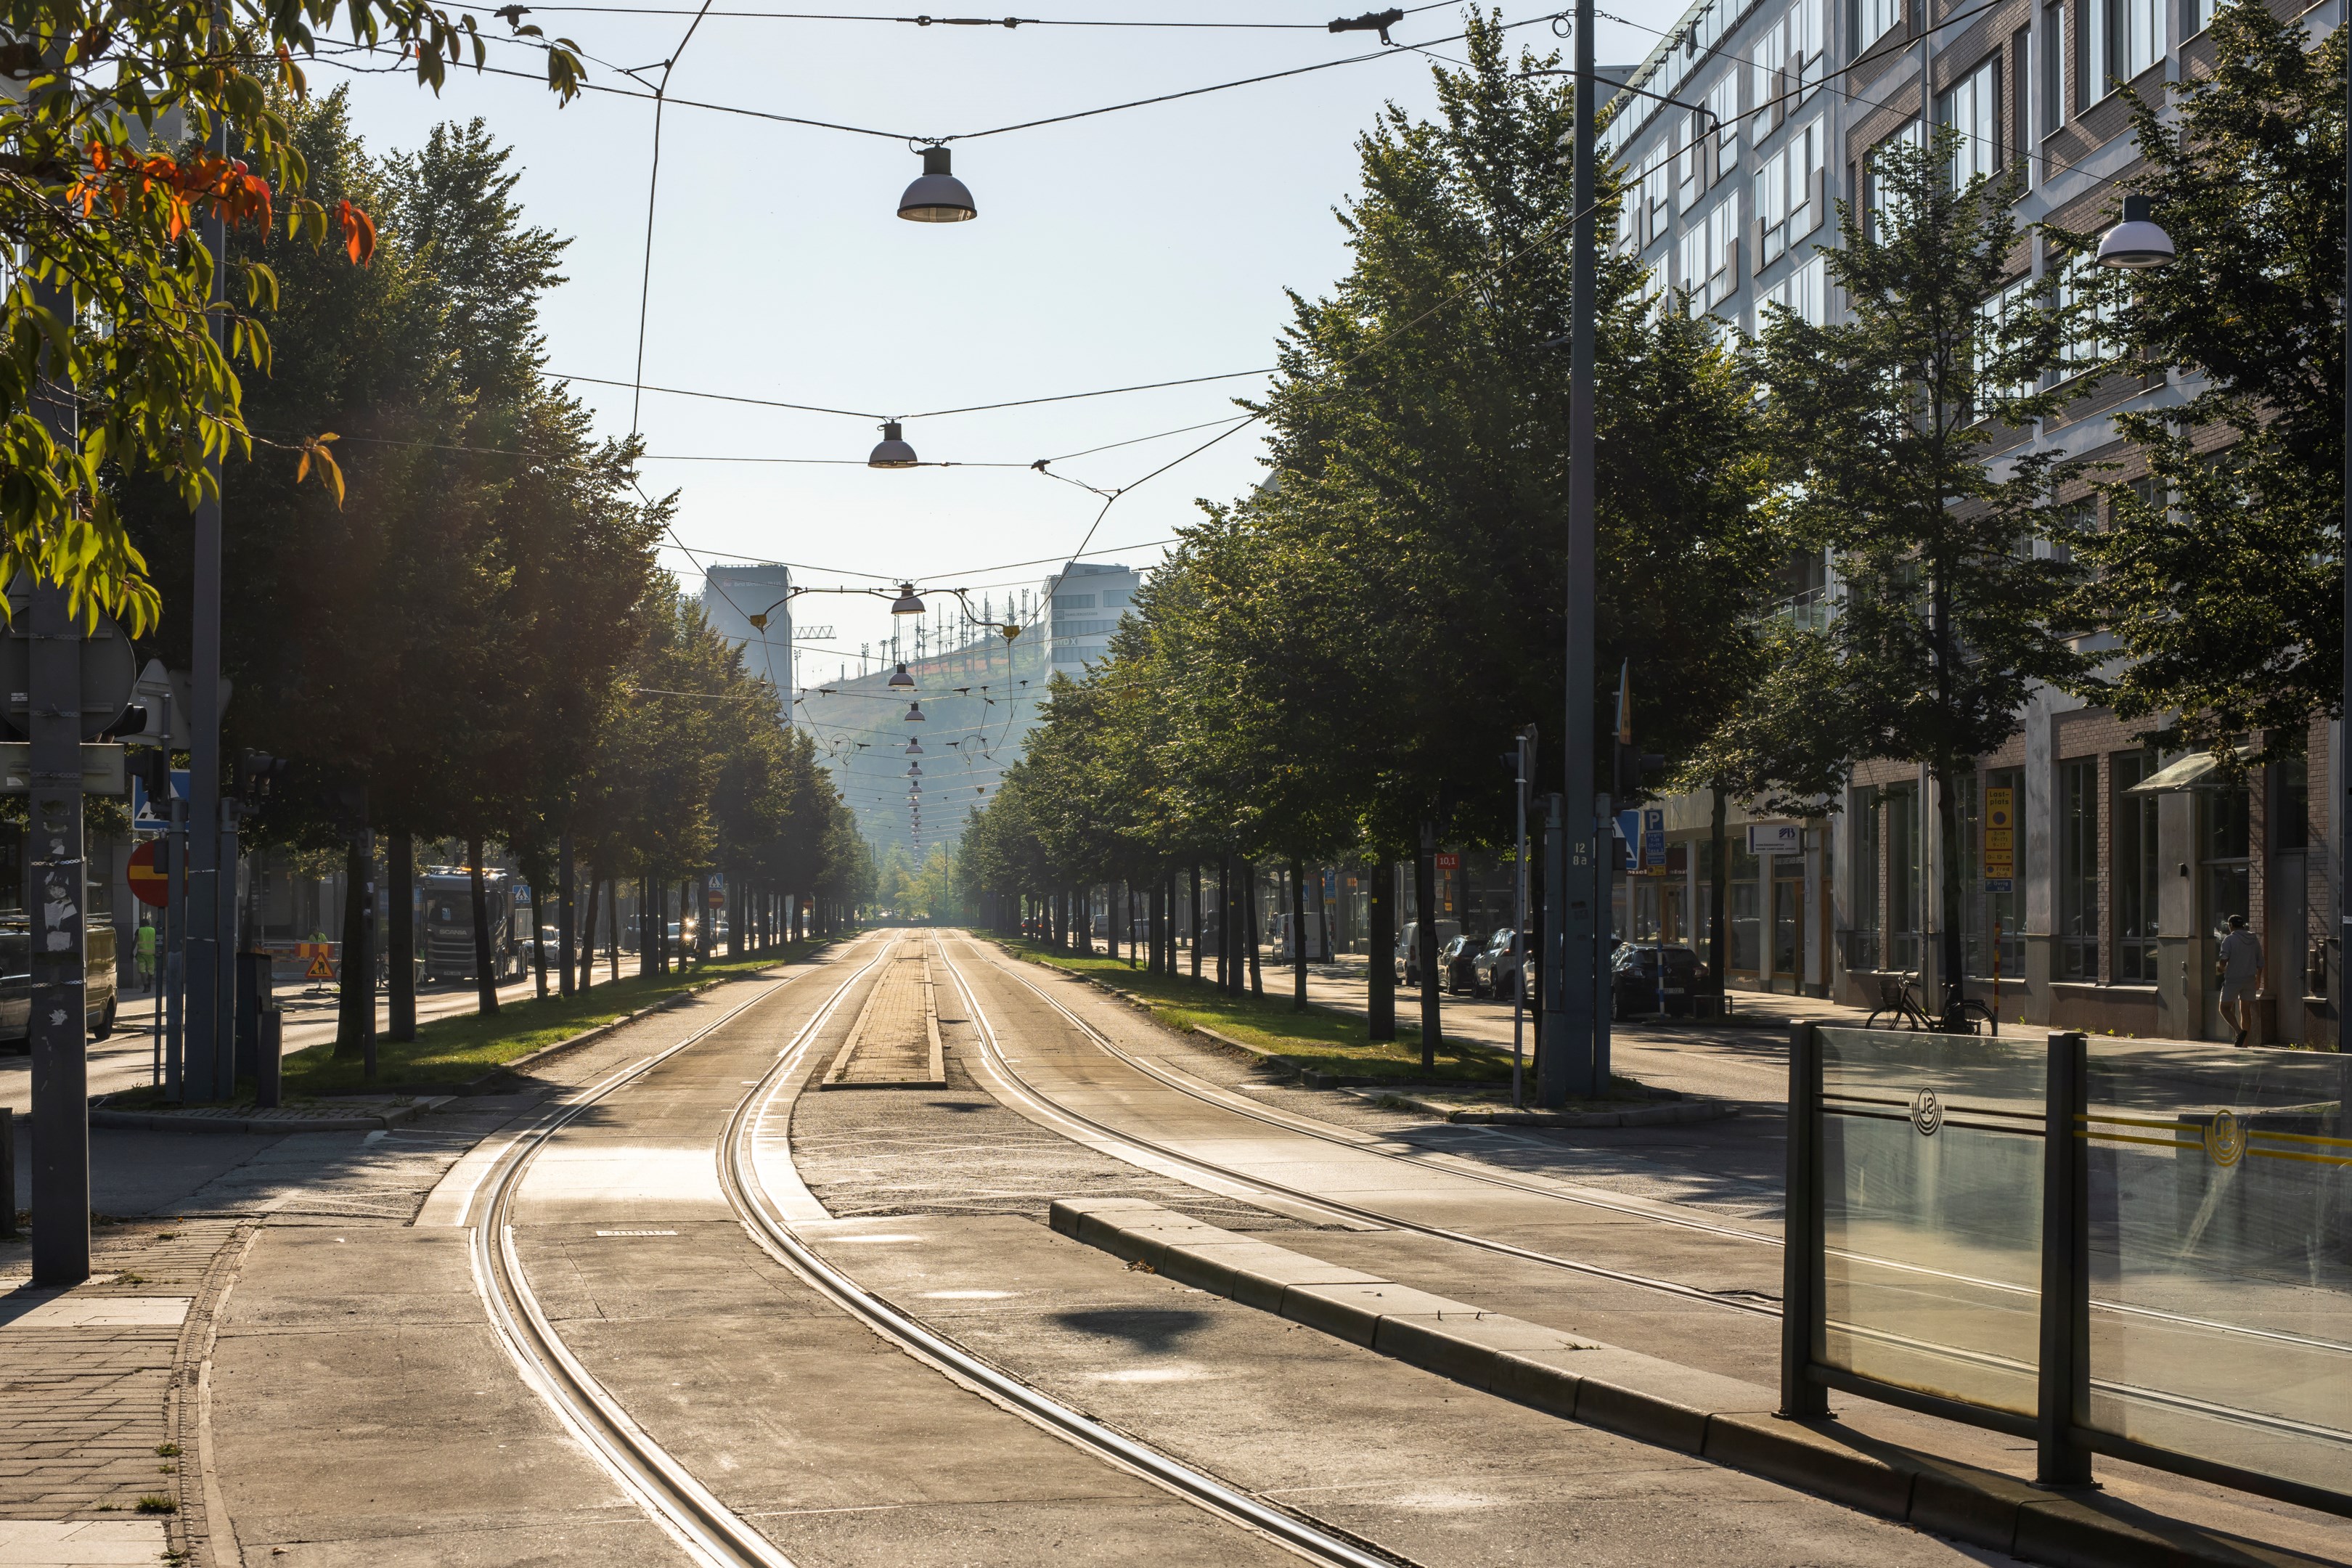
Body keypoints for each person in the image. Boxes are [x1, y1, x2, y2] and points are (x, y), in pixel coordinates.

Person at [2217, 913, 2262, 1048]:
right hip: (2249, 979)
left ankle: (2239, 1032)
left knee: (2224, 1008)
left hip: (2233, 979)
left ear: (2231, 926)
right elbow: (2261, 962)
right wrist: (2258, 979)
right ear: (2243, 925)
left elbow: (2224, 960)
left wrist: (2220, 968)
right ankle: (2245, 1044)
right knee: (2245, 1011)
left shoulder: (2229, 940)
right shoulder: (2254, 939)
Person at [134, 918, 157, 989]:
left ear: (141, 924)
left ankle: (146, 985)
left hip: (141, 953)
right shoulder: (153, 930)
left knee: (142, 970)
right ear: (148, 924)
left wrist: (131, 952)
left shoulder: (139, 930)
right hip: (151, 953)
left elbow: (134, 942)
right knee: (151, 970)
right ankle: (149, 982)